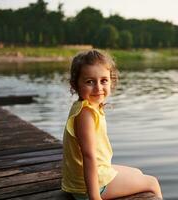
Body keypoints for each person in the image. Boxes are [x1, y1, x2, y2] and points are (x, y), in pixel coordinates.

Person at [61, 49, 163, 200]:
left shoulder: (84, 106)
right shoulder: (86, 114)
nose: (98, 88)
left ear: (111, 81)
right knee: (152, 183)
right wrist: (95, 197)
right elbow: (88, 156)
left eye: (103, 81)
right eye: (90, 82)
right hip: (88, 187)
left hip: (82, 180)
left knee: (137, 172)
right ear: (75, 85)